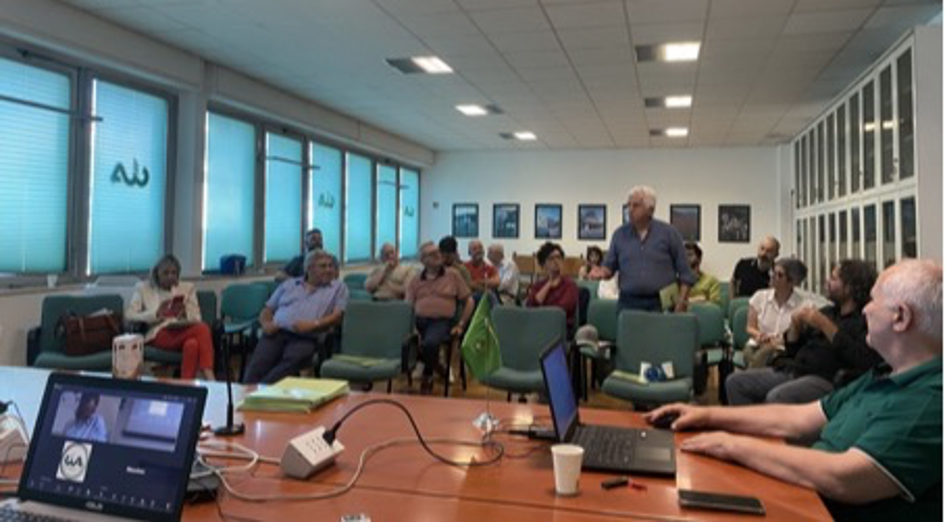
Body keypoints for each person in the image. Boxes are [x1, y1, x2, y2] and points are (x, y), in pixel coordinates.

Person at [645, 259, 942, 522]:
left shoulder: (928, 402)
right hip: (805, 497)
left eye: (874, 301)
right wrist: (707, 416)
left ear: (900, 317)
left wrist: (731, 445)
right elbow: (798, 419)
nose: (866, 308)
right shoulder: (884, 374)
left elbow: (842, 477)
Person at [727, 260, 881, 405]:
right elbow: (793, 350)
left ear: (850, 288)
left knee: (777, 396)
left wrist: (824, 325)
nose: (827, 281)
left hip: (826, 378)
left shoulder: (864, 321)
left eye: (834, 279)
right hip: (795, 369)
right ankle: (752, 424)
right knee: (735, 382)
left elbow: (861, 359)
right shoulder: (828, 312)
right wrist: (794, 327)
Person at [244, 250, 348, 384]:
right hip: (277, 332)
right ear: (309, 269)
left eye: (330, 266)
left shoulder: (338, 288)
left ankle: (260, 389)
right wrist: (266, 324)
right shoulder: (289, 284)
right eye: (323, 266)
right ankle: (248, 391)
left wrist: (314, 324)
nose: (329, 270)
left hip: (306, 337)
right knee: (257, 366)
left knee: (289, 363)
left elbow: (337, 316)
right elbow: (267, 309)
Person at [589, 186, 695, 313]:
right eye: (628, 205)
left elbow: (686, 274)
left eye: (636, 205)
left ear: (650, 210)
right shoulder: (619, 235)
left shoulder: (669, 233)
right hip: (628, 303)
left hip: (662, 304)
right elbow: (609, 268)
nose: (630, 209)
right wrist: (602, 272)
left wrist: (682, 301)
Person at [126, 254, 215, 380]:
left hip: (182, 329)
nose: (170, 277)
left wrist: (185, 315)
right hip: (158, 333)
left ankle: (185, 385)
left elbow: (196, 317)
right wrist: (156, 314)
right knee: (202, 328)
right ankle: (209, 375)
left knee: (192, 344)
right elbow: (129, 315)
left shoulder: (187, 288)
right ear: (157, 274)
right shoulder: (143, 288)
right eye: (166, 273)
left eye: (174, 273)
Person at [406, 241, 474, 394]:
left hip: (441, 322)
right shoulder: (416, 280)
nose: (437, 255)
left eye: (438, 252)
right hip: (419, 321)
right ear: (423, 260)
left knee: (430, 342)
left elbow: (469, 301)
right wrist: (411, 327)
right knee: (404, 339)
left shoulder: (453, 275)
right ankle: (437, 365)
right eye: (431, 254)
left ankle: (428, 374)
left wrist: (461, 324)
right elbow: (407, 306)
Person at [743, 258, 813, 368]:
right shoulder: (759, 296)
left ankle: (751, 376)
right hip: (757, 343)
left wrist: (776, 342)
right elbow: (750, 327)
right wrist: (759, 334)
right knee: (750, 355)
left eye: (779, 275)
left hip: (782, 349)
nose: (772, 276)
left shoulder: (803, 305)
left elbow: (799, 338)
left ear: (792, 282)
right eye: (772, 272)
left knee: (762, 357)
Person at [527, 242, 578, 332]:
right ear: (543, 264)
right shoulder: (538, 285)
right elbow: (530, 306)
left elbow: (560, 310)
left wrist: (540, 311)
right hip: (538, 326)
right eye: (551, 258)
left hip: (560, 328)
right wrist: (549, 283)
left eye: (558, 257)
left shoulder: (569, 285)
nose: (555, 261)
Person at [684, 242, 722, 306]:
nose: (686, 259)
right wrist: (701, 299)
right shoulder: (677, 283)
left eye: (690, 255)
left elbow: (715, 305)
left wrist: (688, 302)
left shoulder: (711, 281)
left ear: (699, 259)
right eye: (684, 256)